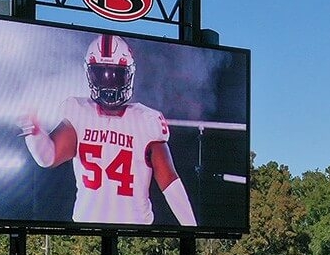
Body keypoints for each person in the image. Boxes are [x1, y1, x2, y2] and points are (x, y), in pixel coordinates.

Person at [19, 34, 197, 226]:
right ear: (89, 74)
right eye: (101, 75)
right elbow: (48, 158)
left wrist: (192, 230)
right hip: (86, 231)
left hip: (133, 231)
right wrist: (33, 131)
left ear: (129, 75)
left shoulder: (146, 120)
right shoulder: (80, 112)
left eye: (115, 76)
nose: (109, 84)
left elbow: (169, 182)